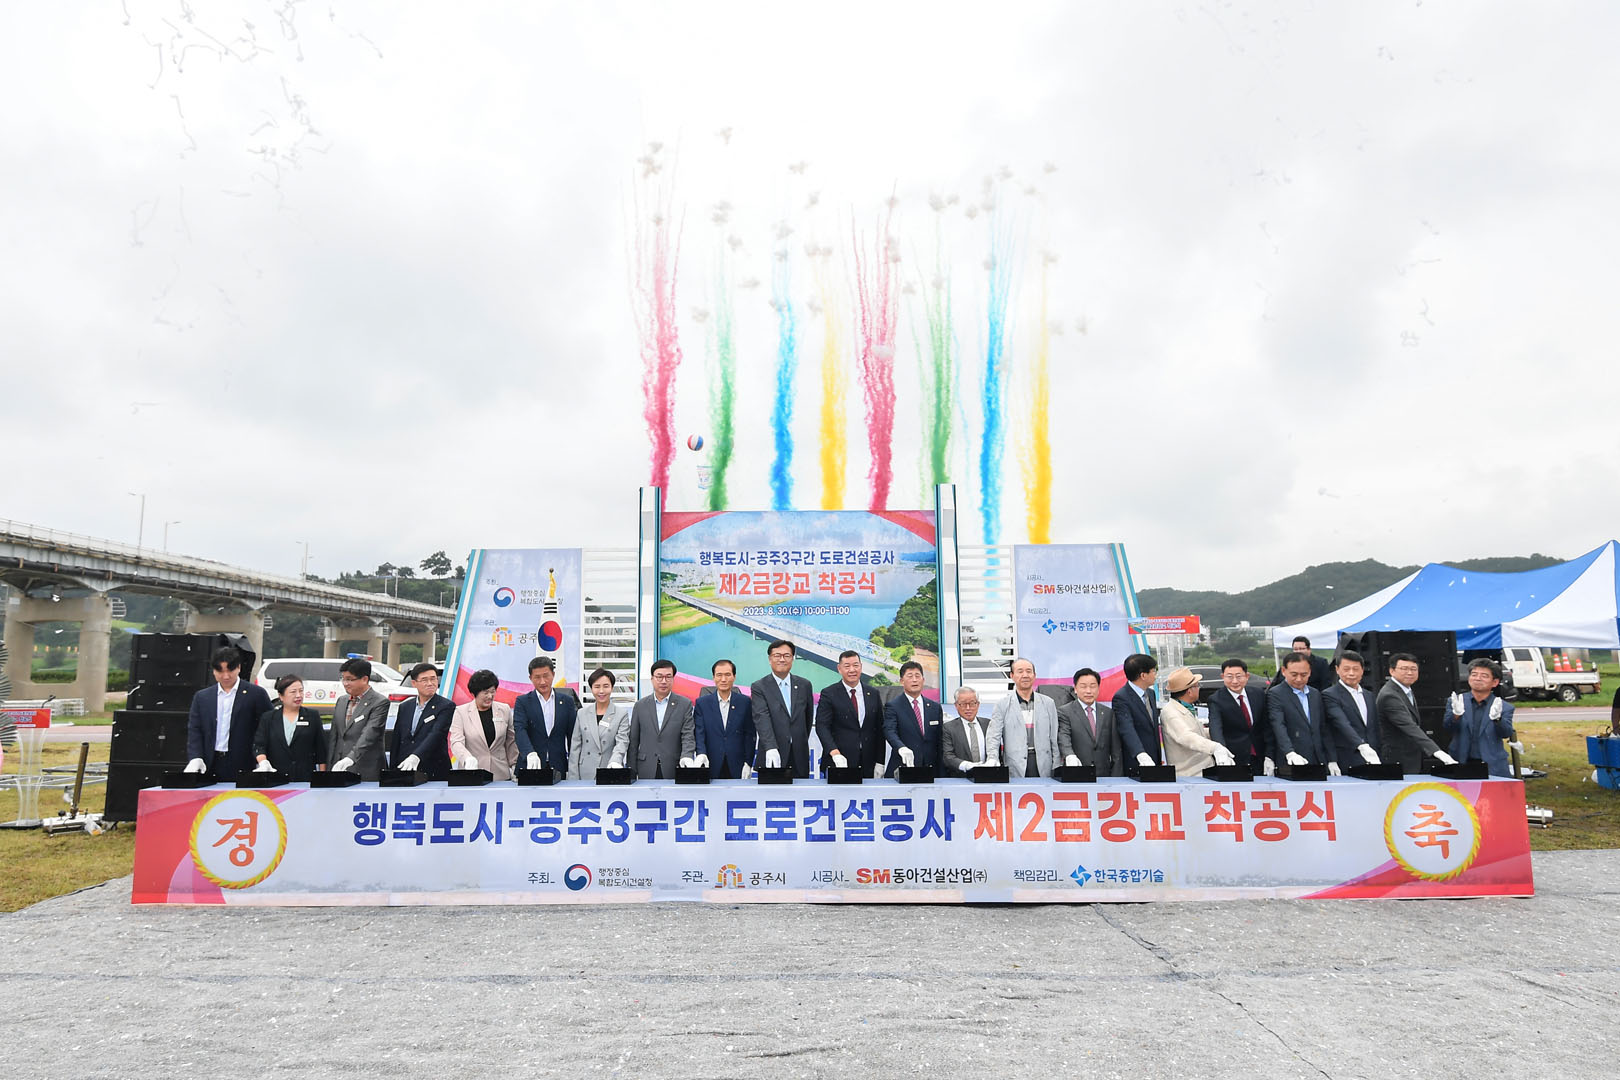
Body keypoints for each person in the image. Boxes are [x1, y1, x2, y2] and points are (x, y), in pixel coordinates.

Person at [183, 646, 272, 778]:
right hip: (210, 762)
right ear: (213, 671)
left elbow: (267, 727)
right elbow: (195, 729)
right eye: (220, 671)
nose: (226, 676)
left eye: (230, 670)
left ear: (239, 668)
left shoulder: (256, 694)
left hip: (244, 762)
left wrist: (262, 758)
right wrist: (196, 757)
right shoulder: (202, 697)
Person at [1377, 652, 1457, 773]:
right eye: (1404, 669)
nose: (1409, 673)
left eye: (1413, 669)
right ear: (1392, 671)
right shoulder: (1389, 695)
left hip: (1410, 755)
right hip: (1397, 758)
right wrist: (1437, 752)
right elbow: (1409, 726)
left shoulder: (1405, 689)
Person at [813, 649, 887, 777]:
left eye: (855, 665)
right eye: (847, 666)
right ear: (839, 669)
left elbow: (880, 729)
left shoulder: (873, 693)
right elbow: (822, 726)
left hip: (868, 762)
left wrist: (880, 762)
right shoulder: (829, 693)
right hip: (839, 761)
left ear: (861, 667)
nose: (852, 670)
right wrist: (834, 753)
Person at [986, 657, 1060, 779]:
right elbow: (994, 736)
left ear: (1034, 675)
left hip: (1043, 764)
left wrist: (1056, 765)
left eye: (1029, 671)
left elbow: (1054, 737)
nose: (1025, 675)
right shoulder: (1002, 705)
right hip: (1015, 765)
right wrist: (992, 758)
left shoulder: (1048, 703)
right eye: (1020, 671)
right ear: (1012, 675)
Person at [1444, 659, 1520, 777]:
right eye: (1474, 674)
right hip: (1461, 761)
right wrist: (1456, 714)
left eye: (1484, 676)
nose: (1478, 678)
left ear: (1495, 682)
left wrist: (1497, 719)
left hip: (1492, 764)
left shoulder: (1503, 706)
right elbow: (1448, 727)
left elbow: (1506, 733)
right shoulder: (1457, 701)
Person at [750, 639, 814, 777]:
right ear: (770, 659)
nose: (782, 659)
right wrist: (771, 747)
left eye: (786, 655)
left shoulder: (804, 685)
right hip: (772, 754)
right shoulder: (759, 687)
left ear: (793, 658)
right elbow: (762, 718)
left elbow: (808, 719)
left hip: (799, 756)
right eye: (777, 655)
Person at [1266, 651, 1337, 771]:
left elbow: (1323, 727)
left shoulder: (1315, 694)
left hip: (1318, 758)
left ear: (1310, 672)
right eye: (1294, 674)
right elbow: (1278, 725)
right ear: (1283, 671)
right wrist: (1289, 752)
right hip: (1292, 759)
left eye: (1304, 675)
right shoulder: (1276, 694)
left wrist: (1332, 759)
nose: (1299, 679)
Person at [1159, 668, 1236, 777]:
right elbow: (1186, 737)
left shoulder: (1185, 707)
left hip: (1202, 770)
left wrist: (1217, 731)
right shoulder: (1171, 712)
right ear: (1189, 691)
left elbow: (1197, 732)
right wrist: (1214, 747)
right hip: (1190, 775)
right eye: (1197, 685)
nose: (1199, 688)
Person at [626, 658, 695, 779]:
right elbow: (633, 740)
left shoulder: (684, 704)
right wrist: (631, 770)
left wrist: (687, 757)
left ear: (673, 679)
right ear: (652, 679)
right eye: (659, 677)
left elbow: (688, 736)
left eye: (668, 677)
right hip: (646, 767)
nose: (664, 681)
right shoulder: (640, 705)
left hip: (674, 766)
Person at [251, 673, 327, 781]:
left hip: (304, 778)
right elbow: (259, 745)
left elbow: (321, 750)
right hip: (276, 778)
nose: (298, 695)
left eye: (301, 691)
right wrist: (263, 762)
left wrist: (322, 777)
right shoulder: (268, 718)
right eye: (293, 692)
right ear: (281, 696)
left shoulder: (312, 716)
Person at [326, 657, 390, 780]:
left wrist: (350, 758)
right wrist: (330, 765)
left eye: (349, 679)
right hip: (339, 768)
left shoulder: (379, 702)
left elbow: (370, 734)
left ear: (364, 679)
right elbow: (335, 736)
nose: (345, 683)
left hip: (366, 768)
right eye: (343, 679)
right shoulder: (342, 701)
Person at [693, 658, 757, 779]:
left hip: (738, 764)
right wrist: (701, 754)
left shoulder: (745, 702)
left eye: (728, 675)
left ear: (734, 677)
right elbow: (699, 733)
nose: (723, 679)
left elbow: (749, 735)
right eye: (719, 675)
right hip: (710, 763)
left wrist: (748, 763)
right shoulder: (702, 703)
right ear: (713, 677)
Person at [448, 668, 517, 778]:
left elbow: (511, 741)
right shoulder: (461, 712)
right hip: (473, 774)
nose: (490, 696)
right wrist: (467, 758)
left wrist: (514, 764)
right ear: (474, 693)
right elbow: (456, 742)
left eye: (492, 691)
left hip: (500, 774)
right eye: (485, 693)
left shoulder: (504, 710)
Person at [1322, 651, 1384, 771]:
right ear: (1337, 670)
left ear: (1362, 671)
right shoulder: (1330, 695)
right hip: (1347, 757)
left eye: (1355, 669)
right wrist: (1361, 745)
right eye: (1346, 669)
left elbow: (1374, 727)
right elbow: (1342, 723)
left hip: (1373, 757)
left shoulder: (1369, 695)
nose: (1351, 673)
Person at [513, 656, 577, 774]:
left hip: (558, 766)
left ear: (553, 674)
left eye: (546, 676)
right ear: (530, 678)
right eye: (537, 677)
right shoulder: (523, 702)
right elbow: (520, 730)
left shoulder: (567, 701)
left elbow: (572, 735)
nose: (542, 681)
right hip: (530, 766)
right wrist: (529, 753)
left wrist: (574, 764)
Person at [390, 662, 455, 778]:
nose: (430, 683)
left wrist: (416, 756)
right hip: (405, 768)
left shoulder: (446, 706)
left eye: (433, 679)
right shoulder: (405, 706)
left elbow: (436, 734)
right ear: (414, 683)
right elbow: (397, 739)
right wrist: (392, 769)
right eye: (424, 680)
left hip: (434, 769)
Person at [1206, 658, 1271, 773]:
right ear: (1223, 677)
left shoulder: (1258, 694)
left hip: (1260, 756)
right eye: (1229, 677)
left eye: (1239, 676)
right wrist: (1222, 751)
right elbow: (1216, 728)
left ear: (1247, 676)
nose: (1235, 681)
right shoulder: (1216, 699)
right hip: (1234, 757)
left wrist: (1269, 755)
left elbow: (1267, 726)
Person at [568, 667, 631, 778]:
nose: (601, 691)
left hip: (609, 770)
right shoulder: (582, 713)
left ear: (612, 687)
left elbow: (622, 742)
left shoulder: (621, 714)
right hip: (585, 771)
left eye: (606, 686)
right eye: (597, 687)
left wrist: (615, 762)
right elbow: (575, 747)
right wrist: (573, 777)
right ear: (591, 688)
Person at [1058, 667, 1123, 775]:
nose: (1088, 691)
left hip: (1104, 776)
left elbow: (1116, 750)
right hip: (1076, 773)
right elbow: (1064, 738)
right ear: (1075, 689)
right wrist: (1070, 755)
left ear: (1098, 688)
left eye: (1093, 686)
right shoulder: (1065, 712)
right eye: (1083, 686)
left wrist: (1116, 777)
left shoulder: (1108, 713)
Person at [882, 660, 942, 775]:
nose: (914, 680)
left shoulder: (934, 707)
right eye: (910, 676)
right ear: (902, 681)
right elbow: (889, 731)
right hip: (904, 767)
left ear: (923, 680)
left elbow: (939, 739)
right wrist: (901, 748)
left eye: (917, 676)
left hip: (930, 768)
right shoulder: (893, 706)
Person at [1112, 652, 1162, 770]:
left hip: (1155, 758)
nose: (1155, 675)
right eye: (1153, 671)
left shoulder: (1151, 693)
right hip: (1137, 762)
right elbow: (1127, 729)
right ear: (1143, 675)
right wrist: (1140, 754)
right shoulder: (1121, 697)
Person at [941, 687, 992, 773]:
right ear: (956, 706)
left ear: (978, 704)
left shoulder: (988, 724)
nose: (968, 708)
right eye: (963, 704)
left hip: (988, 775)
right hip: (961, 777)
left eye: (972, 703)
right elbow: (948, 756)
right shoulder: (948, 728)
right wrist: (967, 766)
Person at [1268, 636, 1333, 691]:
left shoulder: (1321, 663)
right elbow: (1279, 681)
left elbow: (1326, 684)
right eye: (1295, 649)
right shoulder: (1288, 662)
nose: (1298, 651)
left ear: (1309, 649)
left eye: (1301, 649)